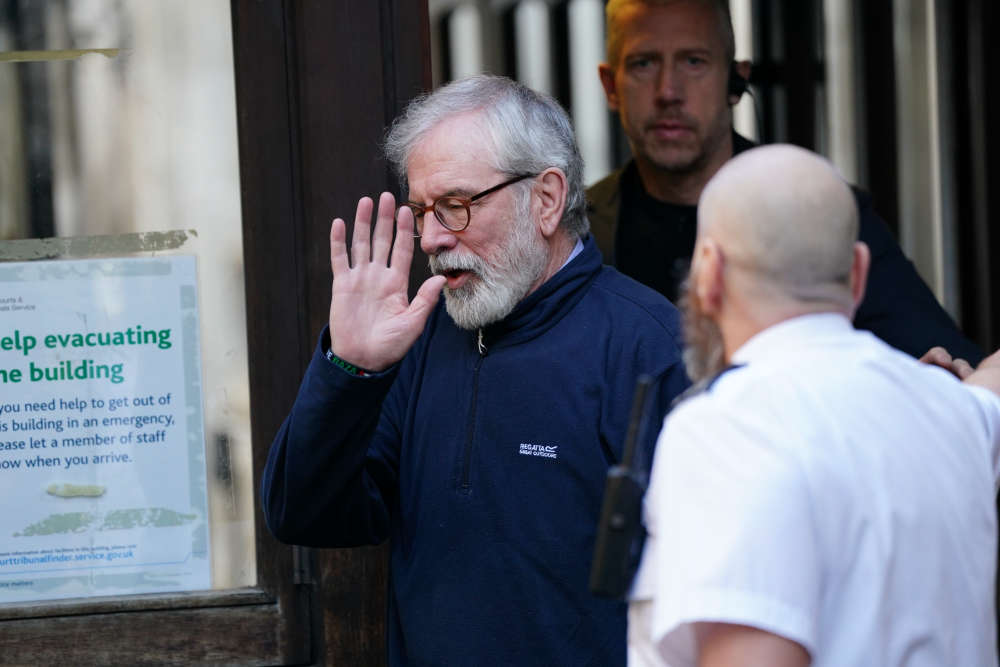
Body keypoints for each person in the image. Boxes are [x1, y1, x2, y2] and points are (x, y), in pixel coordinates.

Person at [260, 74, 690, 665]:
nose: (433, 239)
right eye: (422, 211)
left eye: (456, 206)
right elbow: (303, 515)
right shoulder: (419, 338)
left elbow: (704, 585)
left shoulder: (650, 347)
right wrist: (348, 369)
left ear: (546, 199)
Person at [629, 144, 1000, 666]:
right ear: (858, 272)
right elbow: (991, 387)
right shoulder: (952, 413)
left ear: (708, 271)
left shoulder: (728, 430)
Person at [592, 0, 983, 363]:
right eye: (643, 63)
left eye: (694, 61)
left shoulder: (818, 211)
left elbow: (945, 361)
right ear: (610, 85)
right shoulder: (579, 231)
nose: (668, 92)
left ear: (736, 81)